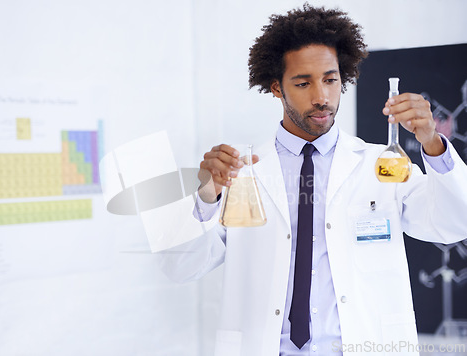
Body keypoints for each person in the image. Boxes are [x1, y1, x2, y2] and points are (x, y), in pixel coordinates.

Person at [160, 4, 467, 356]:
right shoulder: (241, 172)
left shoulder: (380, 165)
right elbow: (179, 267)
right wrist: (207, 196)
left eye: (330, 79)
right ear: (277, 88)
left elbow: (454, 224)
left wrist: (433, 145)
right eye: (303, 83)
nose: (321, 97)